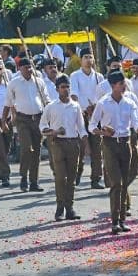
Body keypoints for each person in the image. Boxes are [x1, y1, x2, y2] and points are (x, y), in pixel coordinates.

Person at [89, 70, 138, 234]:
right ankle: (114, 221)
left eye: (125, 83)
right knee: (116, 182)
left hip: (126, 143)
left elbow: (137, 122)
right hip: (109, 144)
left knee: (124, 182)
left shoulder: (129, 102)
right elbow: (92, 125)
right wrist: (103, 132)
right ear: (113, 85)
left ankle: (122, 219)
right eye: (121, 83)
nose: (124, 86)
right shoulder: (103, 102)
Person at [39, 74, 86, 221]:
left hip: (73, 143)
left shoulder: (76, 106)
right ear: (57, 89)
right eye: (62, 87)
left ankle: (69, 208)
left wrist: (86, 144)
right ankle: (60, 208)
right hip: (57, 143)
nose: (65, 90)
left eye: (67, 87)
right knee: (60, 177)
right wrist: (51, 132)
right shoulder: (51, 107)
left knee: (71, 178)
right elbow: (42, 126)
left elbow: (81, 128)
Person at [5, 56, 48, 192]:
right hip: (23, 119)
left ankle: (34, 181)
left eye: (31, 67)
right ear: (19, 69)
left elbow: (46, 99)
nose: (29, 70)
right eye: (26, 67)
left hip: (38, 118)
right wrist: (11, 116)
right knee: (26, 149)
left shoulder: (39, 82)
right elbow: (10, 101)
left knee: (37, 150)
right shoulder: (14, 83)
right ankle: (23, 177)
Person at [69, 48, 105, 189]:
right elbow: (74, 95)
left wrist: (95, 108)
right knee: (81, 148)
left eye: (91, 57)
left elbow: (102, 96)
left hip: (96, 116)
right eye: (86, 57)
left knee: (97, 149)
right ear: (81, 59)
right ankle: (76, 176)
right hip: (82, 115)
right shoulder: (75, 76)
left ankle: (96, 178)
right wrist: (83, 109)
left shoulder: (99, 77)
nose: (88, 60)